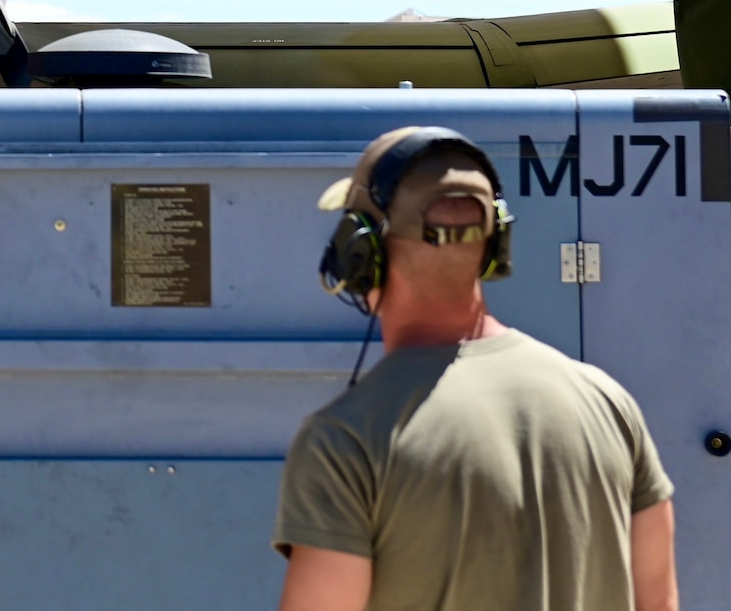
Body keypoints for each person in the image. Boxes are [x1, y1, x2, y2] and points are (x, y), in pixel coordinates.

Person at [276, 127, 678, 611]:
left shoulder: (345, 441)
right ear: (494, 246)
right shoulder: (607, 404)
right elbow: (660, 600)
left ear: (361, 255)